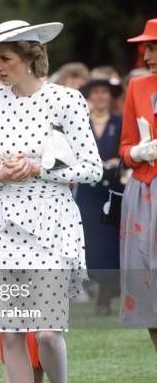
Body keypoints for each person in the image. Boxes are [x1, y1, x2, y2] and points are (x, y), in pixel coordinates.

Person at [0, 19, 102, 383]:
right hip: (4, 221)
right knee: (9, 333)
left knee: (45, 331)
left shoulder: (65, 100)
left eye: (5, 59)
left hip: (52, 220)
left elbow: (92, 169)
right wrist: (1, 174)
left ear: (30, 57)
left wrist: (42, 169)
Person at [119, 18, 157, 383]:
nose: (147, 54)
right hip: (144, 192)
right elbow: (125, 146)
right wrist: (138, 152)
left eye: (155, 47)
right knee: (147, 285)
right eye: (146, 48)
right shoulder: (137, 85)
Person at [76, 78, 124, 315]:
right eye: (96, 91)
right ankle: (96, 286)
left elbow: (126, 149)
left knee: (110, 242)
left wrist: (118, 161)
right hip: (88, 190)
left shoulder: (120, 122)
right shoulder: (80, 122)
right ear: (90, 96)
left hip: (112, 190)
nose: (100, 96)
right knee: (90, 241)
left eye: (105, 92)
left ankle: (105, 294)